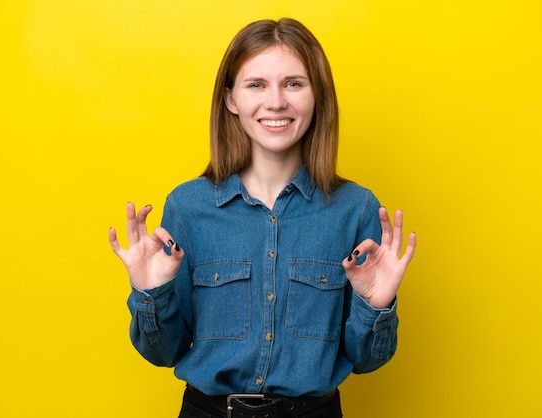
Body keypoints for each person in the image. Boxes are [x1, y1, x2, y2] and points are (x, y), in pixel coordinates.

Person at [109, 17, 416, 418]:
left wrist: (376, 306)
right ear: (231, 100)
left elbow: (368, 361)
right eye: (256, 85)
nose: (276, 102)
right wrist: (151, 294)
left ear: (317, 96)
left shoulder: (355, 209)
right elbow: (162, 353)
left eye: (294, 83)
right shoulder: (188, 207)